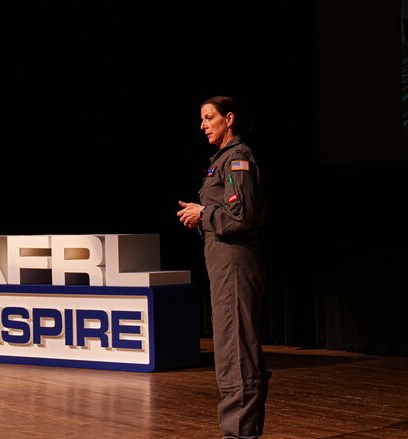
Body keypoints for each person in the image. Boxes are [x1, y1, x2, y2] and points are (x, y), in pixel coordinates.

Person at [177, 95, 270, 438]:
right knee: (232, 349)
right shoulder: (222, 160)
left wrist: (205, 214)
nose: (202, 125)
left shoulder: (237, 159)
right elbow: (226, 214)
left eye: (208, 117)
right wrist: (201, 214)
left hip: (235, 264)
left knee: (237, 353)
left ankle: (239, 434)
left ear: (228, 119)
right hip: (223, 265)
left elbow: (241, 216)